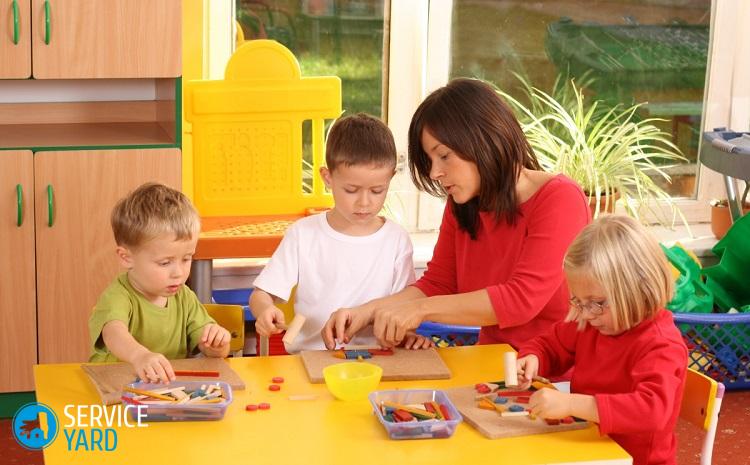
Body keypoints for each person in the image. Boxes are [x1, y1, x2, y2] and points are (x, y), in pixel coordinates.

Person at [322, 78, 590, 350]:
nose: (434, 173)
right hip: (492, 361)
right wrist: (366, 312)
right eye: (430, 160)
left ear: (483, 140)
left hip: (553, 369)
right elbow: (439, 283)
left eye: (444, 156)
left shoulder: (560, 199)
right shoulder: (463, 203)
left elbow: (521, 299)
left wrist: (419, 311)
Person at [516, 215, 688, 465]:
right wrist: (534, 358)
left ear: (637, 289)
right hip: (588, 450)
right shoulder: (592, 323)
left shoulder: (660, 344)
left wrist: (571, 404)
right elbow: (551, 345)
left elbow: (652, 411)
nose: (586, 314)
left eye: (596, 303)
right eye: (578, 301)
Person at [250, 113, 428, 352]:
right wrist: (265, 311)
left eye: (377, 190)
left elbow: (403, 307)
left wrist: (408, 336)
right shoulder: (303, 234)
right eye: (351, 190)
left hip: (378, 359)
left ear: (390, 178)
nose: (364, 202)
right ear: (328, 178)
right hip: (311, 358)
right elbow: (261, 294)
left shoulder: (396, 239)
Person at [89, 183, 230, 383]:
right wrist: (140, 356)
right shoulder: (118, 296)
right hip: (116, 387)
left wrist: (217, 344)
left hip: (165, 390)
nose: (178, 273)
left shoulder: (185, 297)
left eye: (186, 258)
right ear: (126, 258)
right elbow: (113, 333)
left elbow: (211, 349)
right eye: (165, 263)